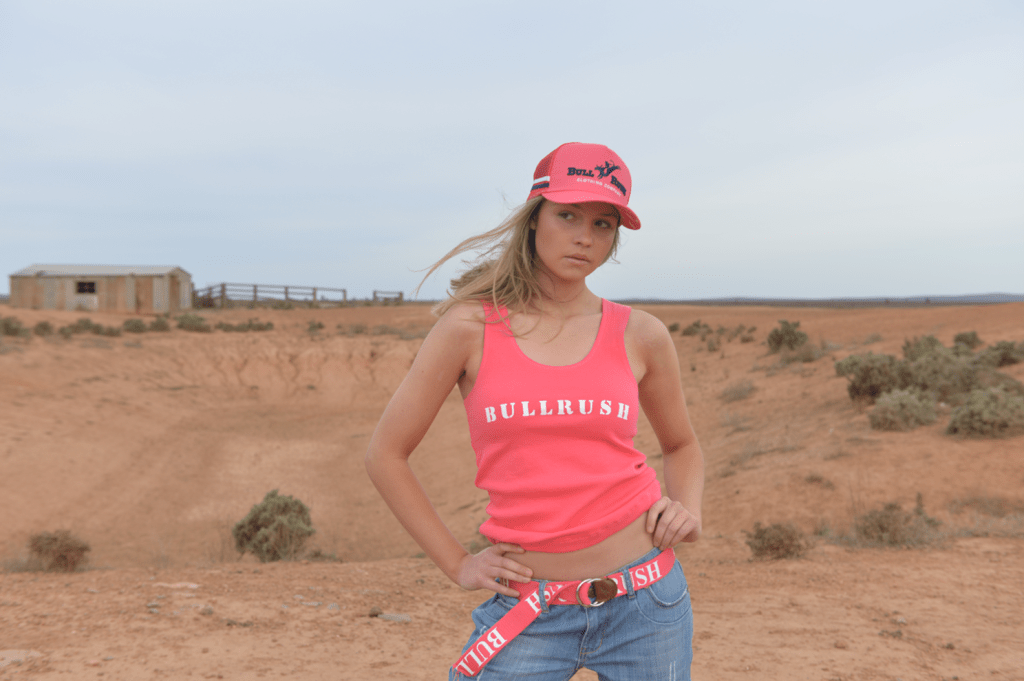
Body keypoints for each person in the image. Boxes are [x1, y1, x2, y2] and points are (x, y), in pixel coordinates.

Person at [365, 142, 704, 680]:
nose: (584, 237)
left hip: (647, 602)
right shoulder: (468, 328)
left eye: (602, 224)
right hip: (529, 610)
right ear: (533, 219)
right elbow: (386, 454)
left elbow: (681, 445)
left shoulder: (641, 334)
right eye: (567, 215)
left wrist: (688, 508)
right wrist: (457, 563)